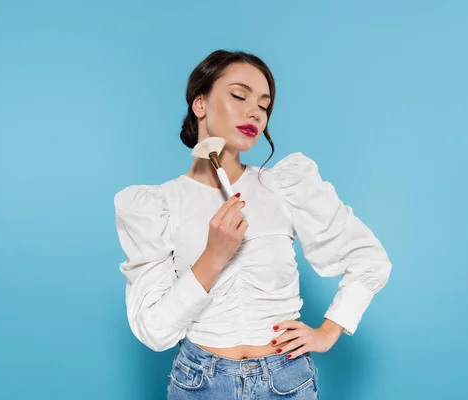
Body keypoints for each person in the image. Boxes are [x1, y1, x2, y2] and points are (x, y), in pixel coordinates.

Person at [114, 49, 392, 399]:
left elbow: (369, 260)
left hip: (286, 381)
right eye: (238, 95)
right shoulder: (158, 206)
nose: (255, 113)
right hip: (200, 382)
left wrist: (331, 329)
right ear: (200, 104)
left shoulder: (283, 186)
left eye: (264, 105)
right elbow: (154, 331)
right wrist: (214, 256)